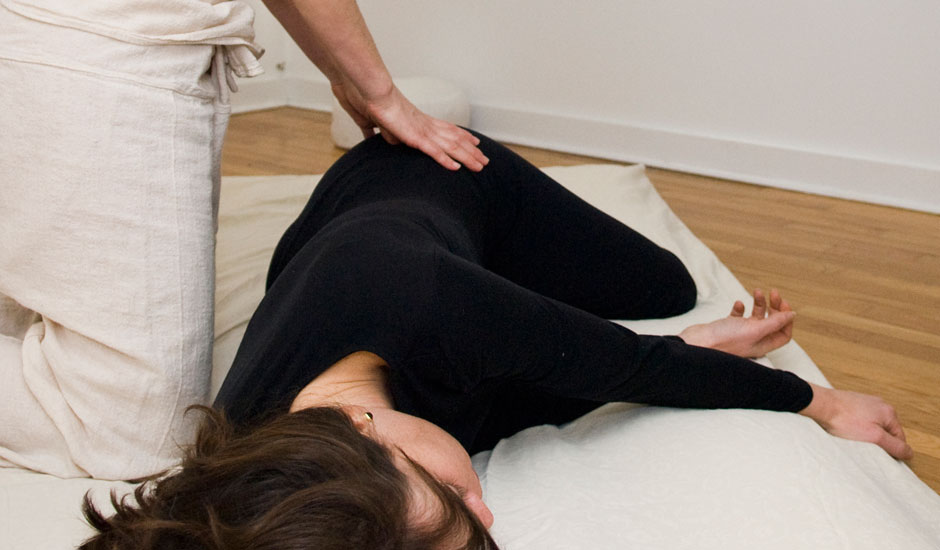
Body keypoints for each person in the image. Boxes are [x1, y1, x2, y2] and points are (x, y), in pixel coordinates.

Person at [79, 132, 912, 550]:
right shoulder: (261, 483)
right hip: (344, 251)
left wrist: (819, 401)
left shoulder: (432, 302)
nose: (486, 508)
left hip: (437, 175)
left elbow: (630, 363)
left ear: (366, 428)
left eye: (458, 496)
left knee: (663, 288)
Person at [0, 0, 483, 480]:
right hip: (95, 47)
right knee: (136, 434)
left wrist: (345, 75)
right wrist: (382, 94)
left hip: (90, 41)